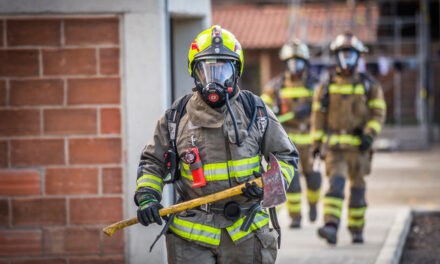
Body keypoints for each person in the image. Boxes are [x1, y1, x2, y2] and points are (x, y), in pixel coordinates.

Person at [134, 25, 299, 264]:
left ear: (236, 73)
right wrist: (148, 196)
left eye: (222, 71)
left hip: (246, 232)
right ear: (195, 73)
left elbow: (286, 156)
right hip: (191, 237)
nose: (215, 80)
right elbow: (152, 162)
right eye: (207, 71)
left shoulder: (256, 111)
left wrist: (268, 185)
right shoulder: (176, 117)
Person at [311, 33, 386, 244]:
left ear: (358, 57)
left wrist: (369, 135)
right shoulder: (326, 87)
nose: (347, 59)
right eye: (343, 55)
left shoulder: (370, 86)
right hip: (336, 149)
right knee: (335, 185)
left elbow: (378, 114)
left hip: (360, 150)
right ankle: (331, 226)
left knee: (358, 192)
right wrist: (316, 144)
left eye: (351, 55)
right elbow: (318, 118)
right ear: (337, 57)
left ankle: (357, 229)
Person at [261, 40, 321, 228]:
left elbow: (325, 109)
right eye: (291, 61)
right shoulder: (275, 87)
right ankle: (296, 217)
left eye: (299, 61)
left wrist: (313, 109)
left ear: (305, 62)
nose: (295, 65)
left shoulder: (315, 85)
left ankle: (312, 204)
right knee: (292, 180)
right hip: (288, 140)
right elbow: (263, 109)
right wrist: (277, 112)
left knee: (313, 179)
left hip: (310, 140)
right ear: (285, 63)